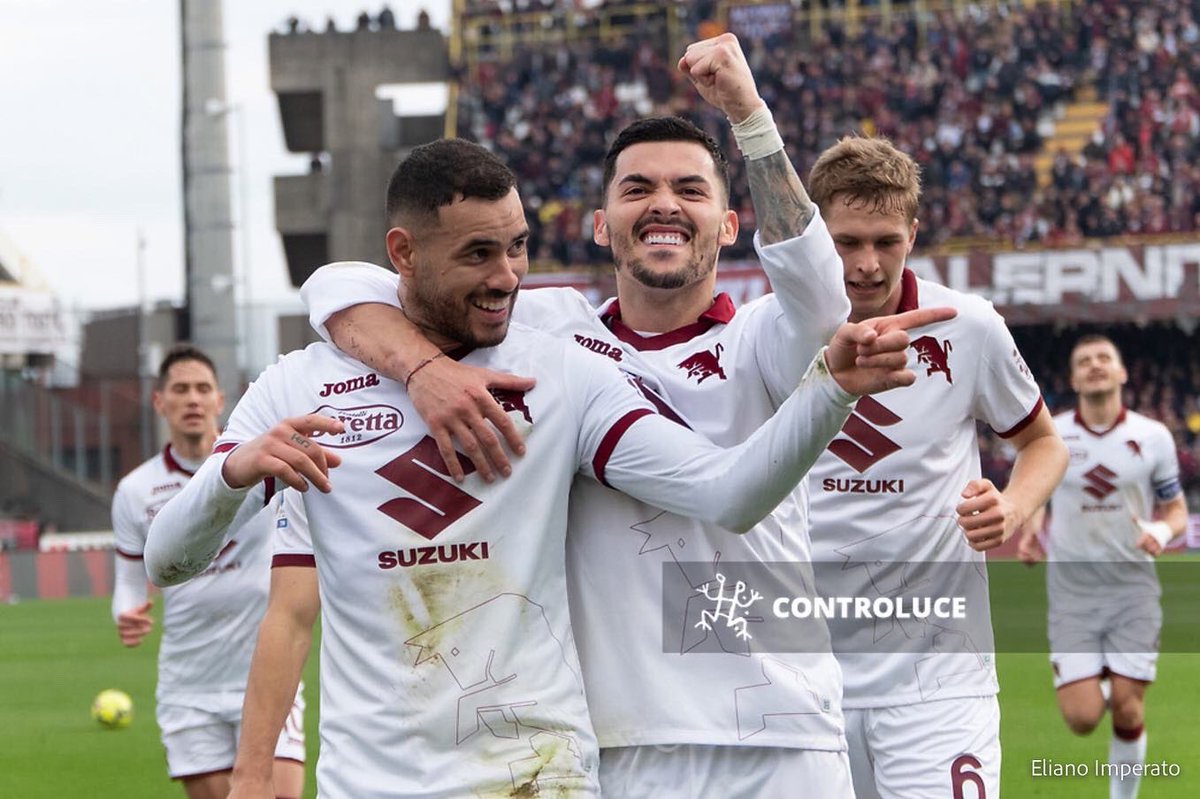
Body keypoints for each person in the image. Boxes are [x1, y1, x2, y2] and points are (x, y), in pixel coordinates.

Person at [145, 136, 949, 798]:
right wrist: (230, 475)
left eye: (519, 247)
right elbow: (168, 557)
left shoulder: (559, 372)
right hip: (368, 781)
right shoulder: (298, 384)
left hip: (541, 776)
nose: (507, 277)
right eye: (479, 253)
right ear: (404, 255)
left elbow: (726, 491)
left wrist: (830, 389)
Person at [297, 33, 974, 797]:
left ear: (727, 227)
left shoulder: (761, 338)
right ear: (599, 223)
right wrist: (422, 370)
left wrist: (749, 116)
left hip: (776, 736)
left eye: (691, 189)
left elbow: (821, 302)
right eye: (637, 188)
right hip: (616, 745)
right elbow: (337, 288)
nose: (663, 204)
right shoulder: (547, 334)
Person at [801, 136, 1068, 799]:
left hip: (940, 681)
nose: (866, 264)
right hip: (799, 684)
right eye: (845, 242)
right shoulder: (769, 332)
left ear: (913, 233)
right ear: (813, 236)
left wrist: (1012, 506)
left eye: (886, 241)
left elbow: (1044, 443)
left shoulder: (969, 327)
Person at [109, 344, 305, 799]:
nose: (192, 399)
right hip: (190, 684)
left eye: (202, 389)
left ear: (221, 400)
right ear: (160, 402)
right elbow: (127, 583)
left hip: (267, 673)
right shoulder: (135, 490)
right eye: (180, 389)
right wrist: (125, 612)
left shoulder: (262, 464)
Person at [1018, 334, 1187, 799]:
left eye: (1104, 359)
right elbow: (1039, 489)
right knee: (1082, 718)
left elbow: (1174, 511)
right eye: (1084, 361)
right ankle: (1105, 679)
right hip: (1071, 597)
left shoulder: (1153, 437)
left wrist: (1162, 532)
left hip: (1133, 593)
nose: (1095, 365)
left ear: (1121, 372)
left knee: (1129, 712)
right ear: (1072, 378)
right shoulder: (1053, 436)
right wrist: (1032, 528)